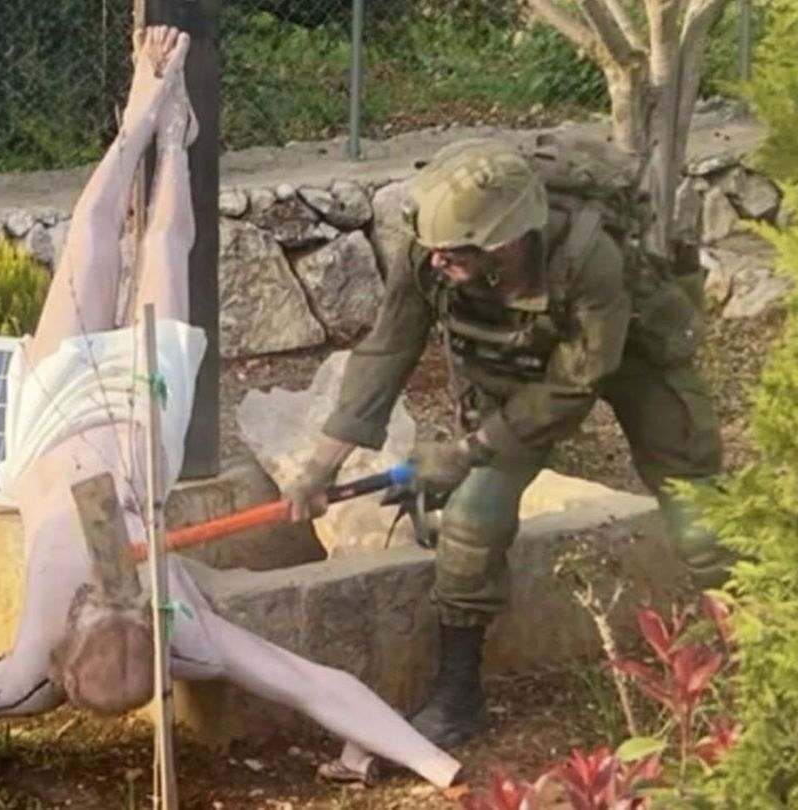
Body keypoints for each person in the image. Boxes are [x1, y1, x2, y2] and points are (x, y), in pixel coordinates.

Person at [0, 25, 463, 793]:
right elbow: (315, 685)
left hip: (52, 420)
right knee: (161, 247)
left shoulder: (39, 670)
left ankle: (152, 127)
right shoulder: (185, 638)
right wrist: (441, 769)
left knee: (95, 245)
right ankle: (162, 135)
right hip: (139, 425)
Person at [281, 137, 734, 751]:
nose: (438, 261)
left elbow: (579, 379)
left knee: (695, 505)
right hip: (518, 373)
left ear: (505, 241)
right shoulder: (429, 253)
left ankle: (749, 649)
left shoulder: (589, 257)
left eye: (455, 251)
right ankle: (459, 695)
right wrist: (319, 466)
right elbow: (387, 351)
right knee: (471, 518)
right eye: (435, 249)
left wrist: (466, 450)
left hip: (628, 356)